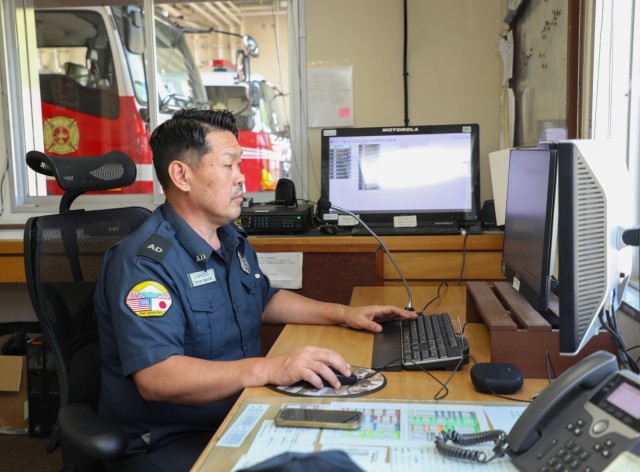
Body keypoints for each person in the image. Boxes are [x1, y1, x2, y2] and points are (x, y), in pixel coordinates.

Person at [94, 108, 416, 471]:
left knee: (356, 441)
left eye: (240, 165)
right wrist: (270, 369)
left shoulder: (228, 237)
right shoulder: (144, 264)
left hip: (243, 409)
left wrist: (344, 314)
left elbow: (264, 299)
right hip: (172, 441)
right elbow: (157, 377)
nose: (241, 179)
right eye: (229, 165)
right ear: (181, 175)